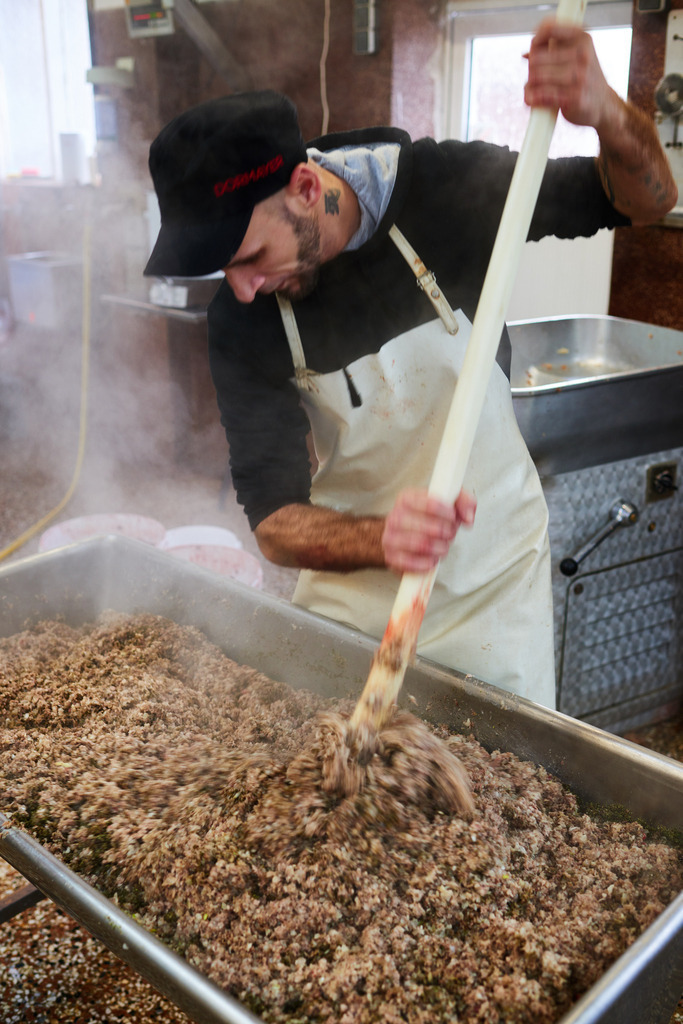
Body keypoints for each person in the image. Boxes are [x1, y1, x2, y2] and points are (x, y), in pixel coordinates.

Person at [144, 20, 677, 709]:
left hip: (491, 587)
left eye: (248, 258)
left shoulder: (445, 190)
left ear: (306, 187)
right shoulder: (241, 321)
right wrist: (380, 538)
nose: (240, 288)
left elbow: (647, 200)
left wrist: (605, 110)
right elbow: (274, 520)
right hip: (353, 594)